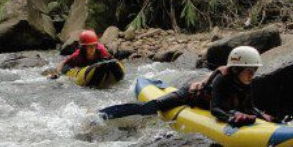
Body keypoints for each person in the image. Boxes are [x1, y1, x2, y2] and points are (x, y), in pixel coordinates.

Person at [99, 45, 274, 126]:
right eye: (249, 70)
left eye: (254, 70)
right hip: (189, 95)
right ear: (236, 69)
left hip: (207, 100)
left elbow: (250, 107)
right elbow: (215, 110)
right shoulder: (222, 79)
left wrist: (263, 116)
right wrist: (230, 118)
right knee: (152, 107)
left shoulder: (246, 82)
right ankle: (103, 113)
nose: (253, 74)